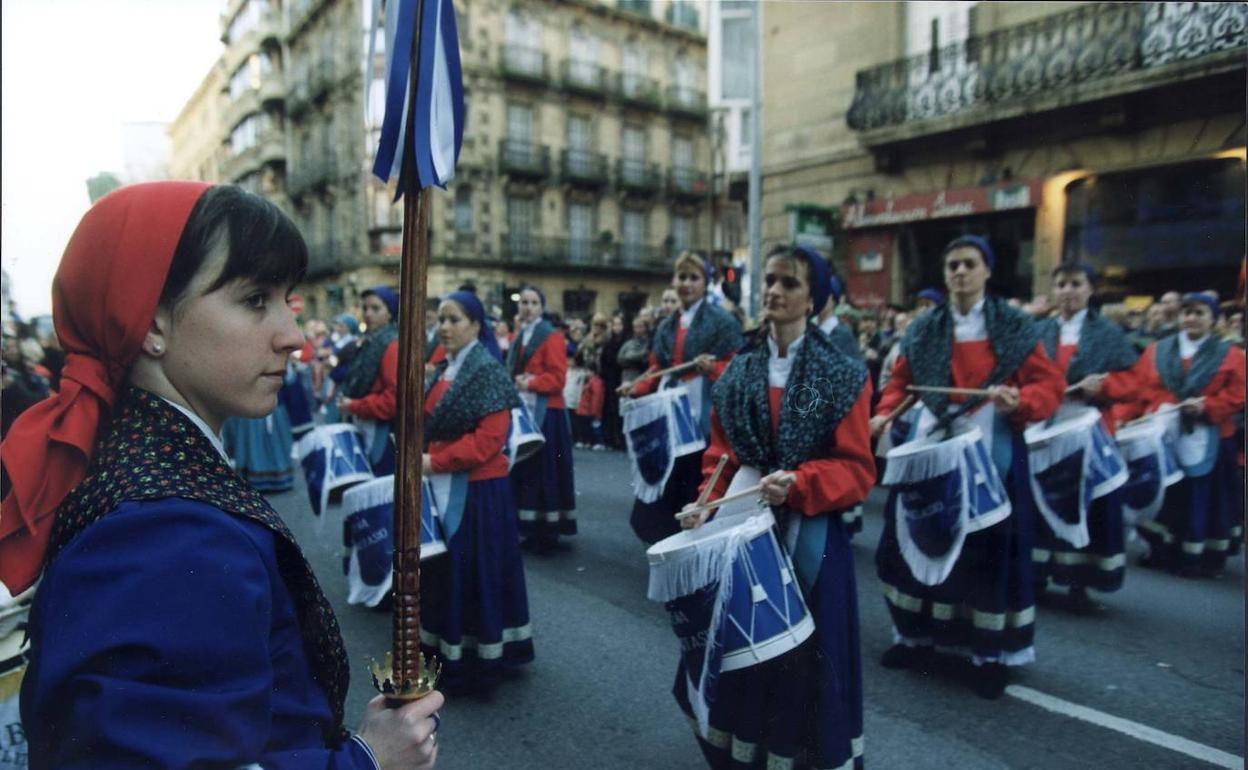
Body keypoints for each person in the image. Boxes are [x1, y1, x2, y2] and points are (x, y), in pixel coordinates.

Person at [4, 182, 440, 768]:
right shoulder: (165, 528)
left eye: (286, 300)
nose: (292, 336)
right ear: (151, 323)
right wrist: (366, 759)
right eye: (255, 299)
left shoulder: (148, 463)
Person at [678, 244, 874, 770]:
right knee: (742, 646)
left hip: (808, 528)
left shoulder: (840, 375)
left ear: (814, 298)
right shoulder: (739, 370)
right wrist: (704, 503)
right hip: (743, 521)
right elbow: (721, 455)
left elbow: (856, 468)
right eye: (769, 280)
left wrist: (803, 481)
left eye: (790, 283)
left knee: (801, 658)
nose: (774, 291)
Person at [869, 234, 1064, 699]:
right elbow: (901, 385)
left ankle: (987, 655)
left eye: (969, 264)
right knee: (918, 535)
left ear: (987, 270)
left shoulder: (1014, 326)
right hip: (931, 446)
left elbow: (1048, 385)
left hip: (991, 450)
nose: (959, 272)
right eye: (952, 264)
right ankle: (914, 637)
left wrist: (1020, 400)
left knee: (986, 550)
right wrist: (885, 413)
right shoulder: (924, 328)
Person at [421, 290, 535, 693]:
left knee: (472, 572)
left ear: (475, 325)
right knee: (449, 571)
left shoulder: (487, 371)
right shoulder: (443, 367)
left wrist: (435, 461)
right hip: (442, 480)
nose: (445, 327)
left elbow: (488, 441)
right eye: (441, 320)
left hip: (477, 490)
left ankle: (478, 658)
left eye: (454, 320)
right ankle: (446, 648)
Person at [1032, 262, 1140, 608]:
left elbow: (1133, 383)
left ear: (1090, 290)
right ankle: (1036, 575)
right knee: (1039, 501)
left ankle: (1080, 583)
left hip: (1089, 429)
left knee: (1089, 504)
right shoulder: (1038, 331)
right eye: (1061, 284)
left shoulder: (1108, 333)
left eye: (1076, 284)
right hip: (1044, 428)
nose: (1067, 291)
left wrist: (1104, 386)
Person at [620, 251, 743, 545]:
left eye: (693, 277)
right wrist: (635, 387)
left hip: (701, 413)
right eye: (682, 277)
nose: (686, 283)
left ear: (705, 282)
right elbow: (656, 368)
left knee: (692, 475)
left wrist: (713, 368)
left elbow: (738, 368)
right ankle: (665, 541)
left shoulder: (722, 321)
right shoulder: (665, 326)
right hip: (669, 412)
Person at [1128, 292, 1245, 577]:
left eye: (1199, 313)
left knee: (1201, 497)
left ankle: (1196, 558)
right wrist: (1131, 417)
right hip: (1163, 432)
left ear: (1214, 320)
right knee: (1166, 493)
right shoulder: (1157, 350)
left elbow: (1239, 394)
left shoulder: (1231, 355)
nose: (1191, 318)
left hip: (1210, 436)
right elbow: (1139, 389)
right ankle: (1159, 549)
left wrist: (1208, 407)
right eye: (1187, 312)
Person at [507, 285, 576, 552]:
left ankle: (547, 530)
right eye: (524, 302)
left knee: (544, 471)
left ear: (542, 307)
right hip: (526, 410)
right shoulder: (520, 336)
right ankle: (527, 525)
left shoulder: (552, 336)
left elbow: (558, 378)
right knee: (527, 469)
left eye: (534, 302)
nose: (528, 307)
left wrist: (531, 382)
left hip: (548, 412)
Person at [339, 286, 400, 475]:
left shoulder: (392, 345)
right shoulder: (369, 341)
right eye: (365, 308)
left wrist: (354, 406)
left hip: (381, 432)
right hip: (365, 424)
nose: (368, 314)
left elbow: (394, 400)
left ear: (390, 313)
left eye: (375, 308)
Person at [814, 264, 861, 360]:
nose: (818, 299)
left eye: (823, 296)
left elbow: (855, 366)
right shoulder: (810, 330)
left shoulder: (843, 334)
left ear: (833, 300)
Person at [600, 312, 628, 450]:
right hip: (610, 379)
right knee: (609, 410)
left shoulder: (626, 342)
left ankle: (620, 439)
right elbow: (603, 360)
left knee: (620, 410)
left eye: (619, 324)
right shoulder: (608, 342)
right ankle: (609, 438)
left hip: (621, 378)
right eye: (614, 324)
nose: (617, 327)